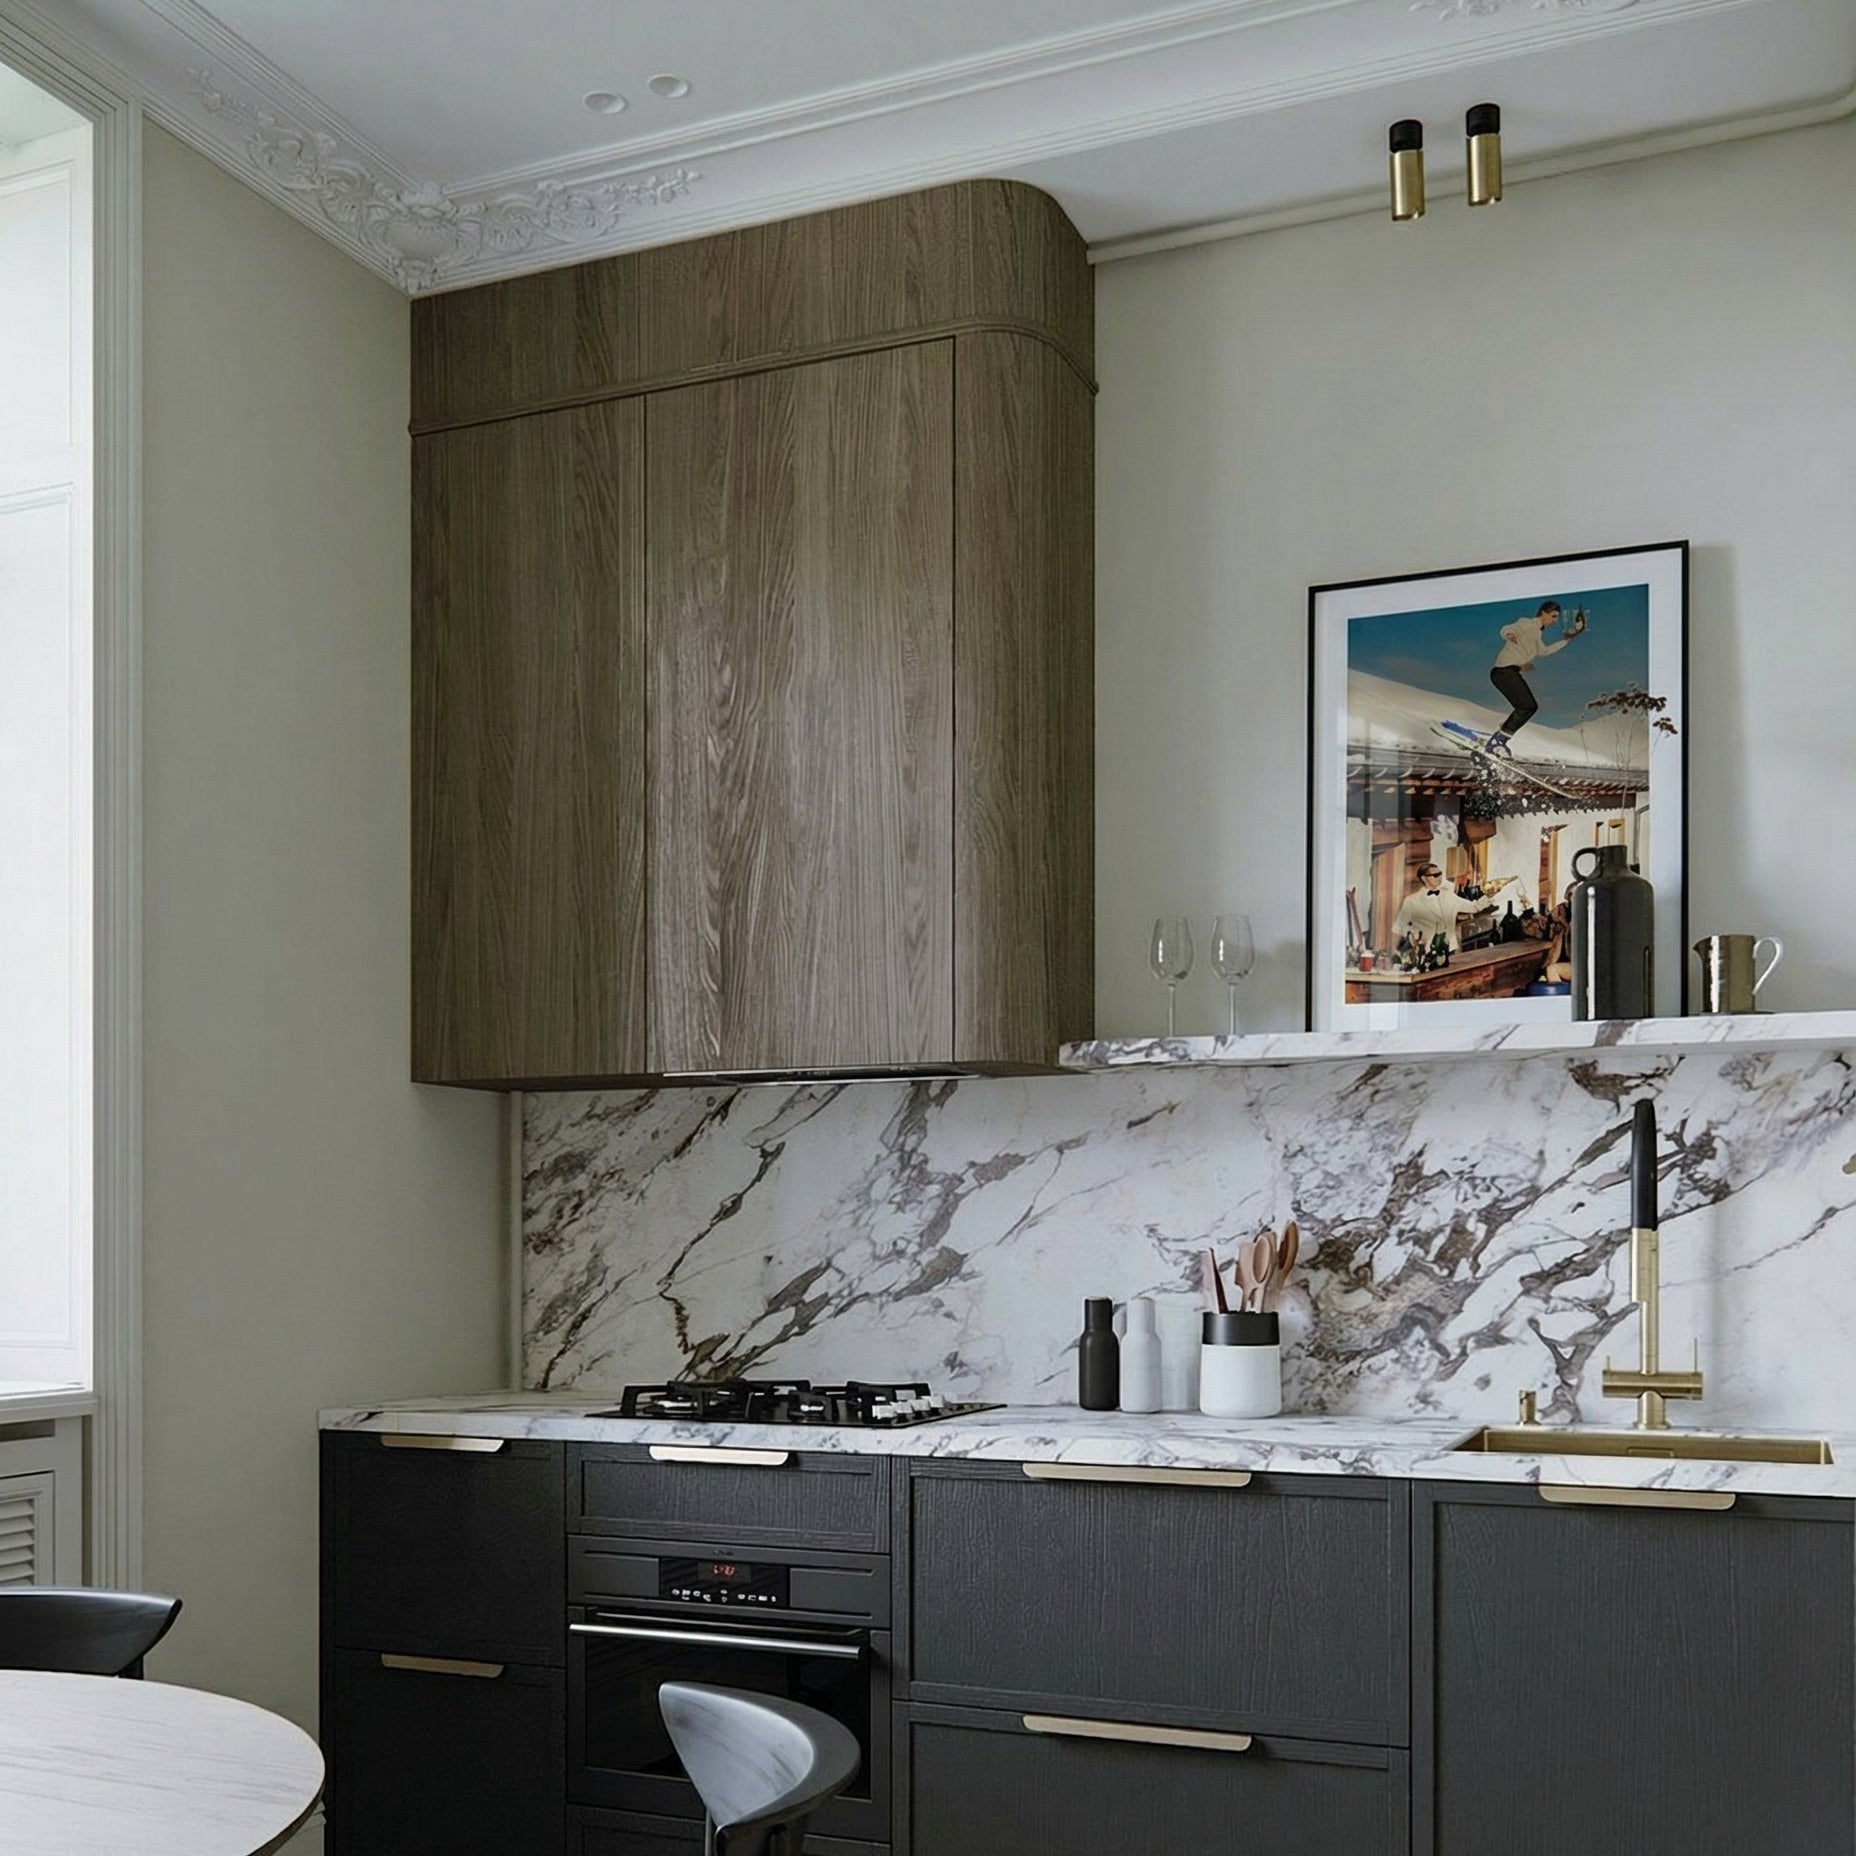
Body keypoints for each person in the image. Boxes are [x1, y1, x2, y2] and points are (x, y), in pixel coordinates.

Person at [1486, 600, 1586, 756]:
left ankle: (1501, 737)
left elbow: (1544, 651)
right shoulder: (1527, 623)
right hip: (1503, 672)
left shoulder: (1537, 634)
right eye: (1553, 616)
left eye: (1556, 617)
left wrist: (1567, 640)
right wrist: (1509, 634)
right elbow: (1506, 629)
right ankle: (1498, 741)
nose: (1554, 621)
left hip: (1509, 672)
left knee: (1528, 706)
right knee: (1527, 706)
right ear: (1543, 613)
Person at [1393, 863, 1469, 953]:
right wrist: (1414, 932)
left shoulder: (1446, 893)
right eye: (1435, 875)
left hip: (1450, 946)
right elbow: (1398, 926)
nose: (1439, 878)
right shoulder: (1411, 901)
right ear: (1424, 878)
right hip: (1428, 949)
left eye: (1440, 874)